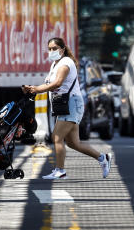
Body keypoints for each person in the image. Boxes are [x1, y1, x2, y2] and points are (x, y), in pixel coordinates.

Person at [22, 37, 111, 180]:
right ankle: (103, 158)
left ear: (62, 50)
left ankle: (60, 171)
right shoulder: (55, 64)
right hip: (65, 105)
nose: (51, 51)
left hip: (71, 104)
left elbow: (57, 83)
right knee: (73, 143)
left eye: (54, 48)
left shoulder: (65, 63)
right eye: (49, 49)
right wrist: (33, 88)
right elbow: (50, 83)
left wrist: (37, 89)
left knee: (57, 137)